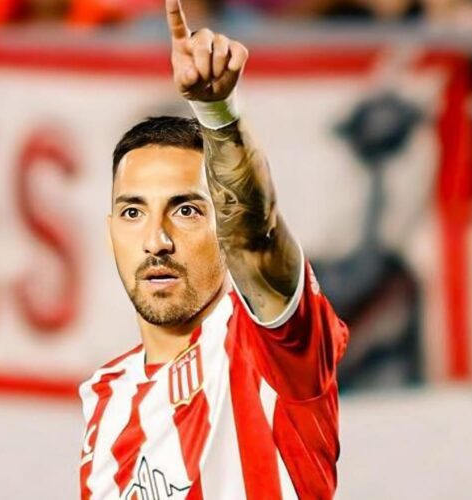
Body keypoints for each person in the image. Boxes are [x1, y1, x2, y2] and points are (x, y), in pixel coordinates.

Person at [78, 0, 349, 497]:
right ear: (110, 230)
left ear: (219, 224)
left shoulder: (269, 346)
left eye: (186, 210)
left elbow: (255, 235)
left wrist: (217, 113)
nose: (157, 241)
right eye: (133, 212)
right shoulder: (106, 396)